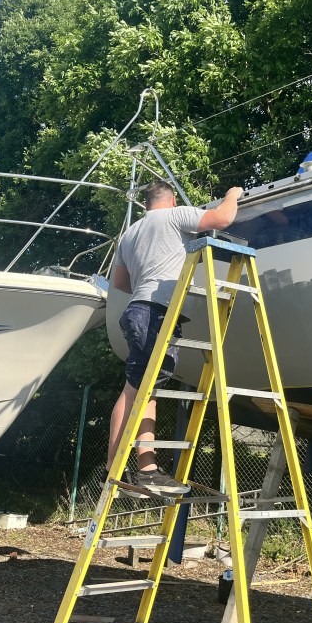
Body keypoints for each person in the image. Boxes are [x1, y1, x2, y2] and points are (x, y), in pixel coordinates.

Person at [107, 180, 244, 494]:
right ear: (170, 200)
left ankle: (133, 468)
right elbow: (222, 219)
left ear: (145, 204)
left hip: (139, 308)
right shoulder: (174, 216)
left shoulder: (130, 233)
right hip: (155, 313)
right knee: (137, 391)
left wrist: (149, 279)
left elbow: (120, 282)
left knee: (141, 390)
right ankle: (132, 471)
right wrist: (233, 194)